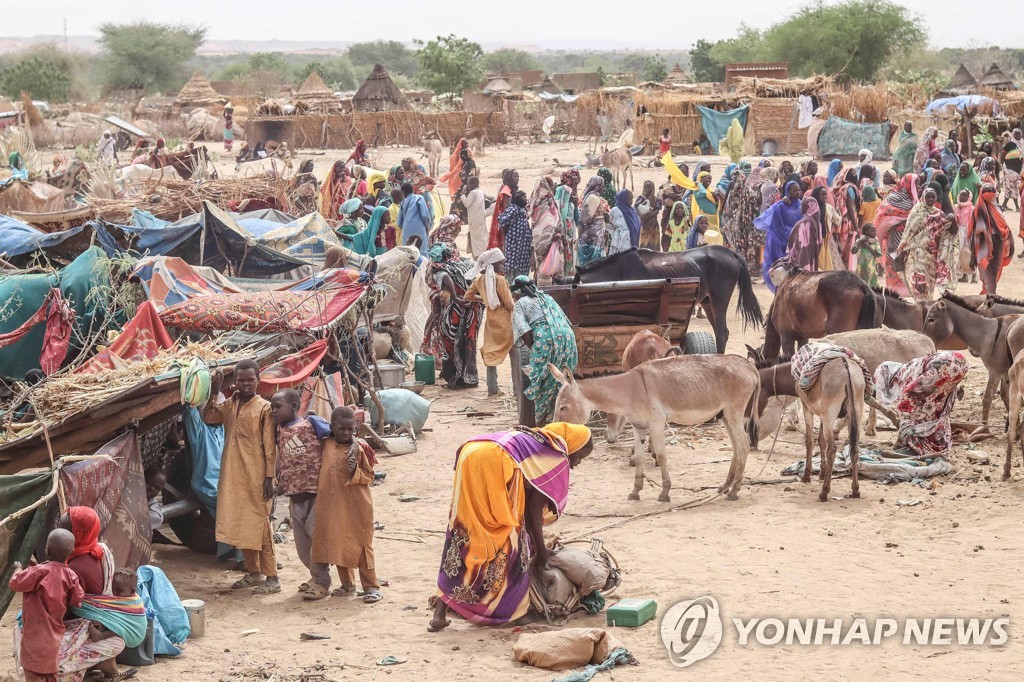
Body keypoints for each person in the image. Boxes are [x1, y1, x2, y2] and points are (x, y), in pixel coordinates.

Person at [428, 422, 594, 631]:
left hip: (471, 451)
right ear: (574, 445)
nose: (576, 463)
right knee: (511, 542)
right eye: (580, 456)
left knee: (462, 534)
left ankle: (439, 616)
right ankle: (513, 613)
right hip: (497, 459)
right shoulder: (556, 456)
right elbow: (533, 509)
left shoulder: (537, 440)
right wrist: (541, 551)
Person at [203, 360, 279, 595]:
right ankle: (254, 573)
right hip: (233, 475)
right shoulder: (230, 405)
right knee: (241, 522)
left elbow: (270, 445)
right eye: (241, 380)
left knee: (260, 523)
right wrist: (214, 391)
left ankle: (272, 577)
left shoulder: (265, 408)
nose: (245, 384)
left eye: (250, 379)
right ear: (234, 381)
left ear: (258, 380)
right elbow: (208, 417)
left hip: (256, 475)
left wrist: (269, 478)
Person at [312, 407, 381, 603]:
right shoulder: (326, 444)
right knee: (337, 541)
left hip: (357, 504)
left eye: (350, 429)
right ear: (332, 427)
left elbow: (370, 475)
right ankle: (347, 584)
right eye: (341, 429)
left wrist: (354, 471)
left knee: (361, 545)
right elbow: (313, 418)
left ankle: (371, 586)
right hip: (332, 504)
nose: (346, 433)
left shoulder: (359, 448)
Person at [269, 389, 331, 600]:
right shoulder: (277, 430)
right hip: (294, 495)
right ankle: (315, 576)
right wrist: (278, 482)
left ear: (294, 406)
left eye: (278, 407)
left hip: (315, 493)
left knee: (317, 539)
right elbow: (282, 459)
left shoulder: (311, 424)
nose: (274, 411)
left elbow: (335, 437)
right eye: (272, 407)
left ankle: (322, 581)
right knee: (303, 545)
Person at [10, 528, 83, 682]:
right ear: (71, 552)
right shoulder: (71, 575)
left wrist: (18, 569)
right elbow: (78, 599)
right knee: (51, 672)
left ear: (47, 549)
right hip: (54, 633)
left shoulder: (39, 572)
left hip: (35, 635)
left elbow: (16, 583)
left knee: (33, 672)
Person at [509, 276, 578, 426]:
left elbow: (523, 330)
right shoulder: (548, 298)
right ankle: (561, 423)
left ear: (517, 292)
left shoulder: (520, 304)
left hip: (545, 338)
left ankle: (542, 429)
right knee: (560, 381)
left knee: (541, 382)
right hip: (568, 339)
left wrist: (535, 351)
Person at [873, 352, 970, 458]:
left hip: (943, 366)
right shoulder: (910, 366)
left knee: (908, 407)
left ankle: (917, 443)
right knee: (936, 405)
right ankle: (937, 441)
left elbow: (907, 398)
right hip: (960, 361)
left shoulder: (901, 376)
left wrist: (897, 412)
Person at [422, 244, 482, 389]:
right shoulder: (461, 262)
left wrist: (455, 298)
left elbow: (446, 278)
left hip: (459, 307)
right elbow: (479, 268)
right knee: (469, 341)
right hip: (474, 306)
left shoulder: (437, 268)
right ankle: (469, 377)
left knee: (450, 340)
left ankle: (457, 378)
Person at [465, 248, 515, 397]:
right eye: (501, 263)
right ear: (496, 264)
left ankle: (492, 389)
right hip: (505, 322)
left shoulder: (479, 280)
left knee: (491, 353)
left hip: (491, 322)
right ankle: (517, 389)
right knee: (514, 353)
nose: (503, 266)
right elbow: (509, 303)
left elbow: (468, 296)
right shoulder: (499, 280)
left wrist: (485, 300)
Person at [898, 187, 958, 302]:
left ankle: (925, 310)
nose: (931, 199)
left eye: (933, 197)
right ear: (923, 197)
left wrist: (952, 219)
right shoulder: (916, 212)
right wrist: (901, 254)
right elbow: (908, 235)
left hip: (931, 256)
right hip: (915, 255)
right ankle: (920, 308)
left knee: (928, 286)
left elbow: (952, 231)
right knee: (918, 285)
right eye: (928, 197)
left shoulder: (938, 213)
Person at [874, 173, 921, 296]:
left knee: (908, 262)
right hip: (895, 236)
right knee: (894, 259)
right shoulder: (894, 197)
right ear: (908, 184)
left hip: (909, 237)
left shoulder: (913, 198)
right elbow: (884, 214)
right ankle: (895, 290)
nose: (919, 186)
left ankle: (907, 289)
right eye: (916, 183)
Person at [754, 181, 804, 291]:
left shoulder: (801, 205)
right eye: (794, 190)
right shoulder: (781, 206)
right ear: (787, 191)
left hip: (795, 241)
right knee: (778, 268)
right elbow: (777, 226)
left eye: (799, 190)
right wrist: (793, 234)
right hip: (779, 240)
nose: (797, 192)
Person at [968, 184, 1015, 294]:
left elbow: (1003, 225)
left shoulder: (998, 208)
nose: (989, 194)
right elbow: (975, 233)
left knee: (996, 270)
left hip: (999, 241)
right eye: (986, 192)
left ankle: (987, 295)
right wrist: (972, 255)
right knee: (986, 271)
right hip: (982, 246)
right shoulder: (978, 210)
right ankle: (989, 295)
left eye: (991, 191)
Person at [529, 176, 562, 284]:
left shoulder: (550, 203)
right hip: (544, 245)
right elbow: (539, 227)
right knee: (544, 271)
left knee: (549, 269)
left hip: (551, 244)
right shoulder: (540, 205)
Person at [785, 197, 825, 273]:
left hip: (802, 259)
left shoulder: (802, 224)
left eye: (803, 206)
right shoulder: (818, 224)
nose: (800, 207)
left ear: (810, 208)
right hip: (813, 259)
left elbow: (795, 244)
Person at [831, 168, 862, 268]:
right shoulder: (850, 188)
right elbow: (850, 207)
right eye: (852, 173)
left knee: (841, 244)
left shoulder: (842, 187)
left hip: (841, 221)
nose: (855, 175)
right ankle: (846, 268)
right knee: (847, 246)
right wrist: (856, 225)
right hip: (848, 221)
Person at [577, 177, 611, 266]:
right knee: (591, 263)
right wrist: (577, 236)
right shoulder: (593, 198)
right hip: (592, 237)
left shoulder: (595, 197)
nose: (603, 187)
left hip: (594, 236)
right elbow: (585, 219)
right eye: (602, 185)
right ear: (597, 186)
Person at [398, 182, 431, 256]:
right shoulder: (419, 198)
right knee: (422, 251)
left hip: (406, 231)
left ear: (403, 192)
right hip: (419, 229)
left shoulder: (403, 203)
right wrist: (427, 226)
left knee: (407, 253)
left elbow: (399, 223)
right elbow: (425, 215)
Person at [489, 169, 518, 251]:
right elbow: (508, 208)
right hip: (507, 222)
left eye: (518, 176)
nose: (517, 178)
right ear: (509, 178)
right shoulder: (506, 189)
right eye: (515, 176)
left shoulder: (511, 189)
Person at [635, 180, 663, 251]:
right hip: (644, 224)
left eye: (649, 187)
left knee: (654, 243)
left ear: (652, 188)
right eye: (646, 187)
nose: (647, 189)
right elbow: (635, 207)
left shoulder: (656, 199)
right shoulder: (641, 198)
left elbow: (657, 211)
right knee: (644, 243)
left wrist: (649, 216)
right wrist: (640, 215)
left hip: (653, 225)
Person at [853, 223, 883, 288]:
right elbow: (853, 251)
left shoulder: (875, 242)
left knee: (873, 287)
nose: (875, 232)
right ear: (865, 232)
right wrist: (859, 242)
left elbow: (877, 254)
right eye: (872, 230)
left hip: (871, 270)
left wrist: (867, 246)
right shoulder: (859, 241)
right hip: (860, 269)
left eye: (875, 230)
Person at [464, 176, 487, 258]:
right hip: (480, 218)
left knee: (476, 239)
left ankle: (478, 257)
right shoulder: (480, 192)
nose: (467, 186)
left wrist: (463, 194)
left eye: (468, 184)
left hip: (474, 220)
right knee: (480, 237)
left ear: (473, 184)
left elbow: (467, 204)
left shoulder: (472, 193)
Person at [1000, 129, 1023, 211]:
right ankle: (1017, 207)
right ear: (1013, 135)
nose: (1018, 135)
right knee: (1012, 187)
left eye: (1019, 134)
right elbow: (1002, 156)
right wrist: (1003, 166)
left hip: (1019, 169)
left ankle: (1004, 205)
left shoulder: (1022, 143)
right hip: (1009, 169)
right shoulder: (1010, 144)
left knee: (1013, 187)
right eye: (1016, 134)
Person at [145, 466, 166, 538]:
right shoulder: (130, 493)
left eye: (157, 487)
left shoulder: (152, 503)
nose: (152, 488)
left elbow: (157, 518)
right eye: (149, 482)